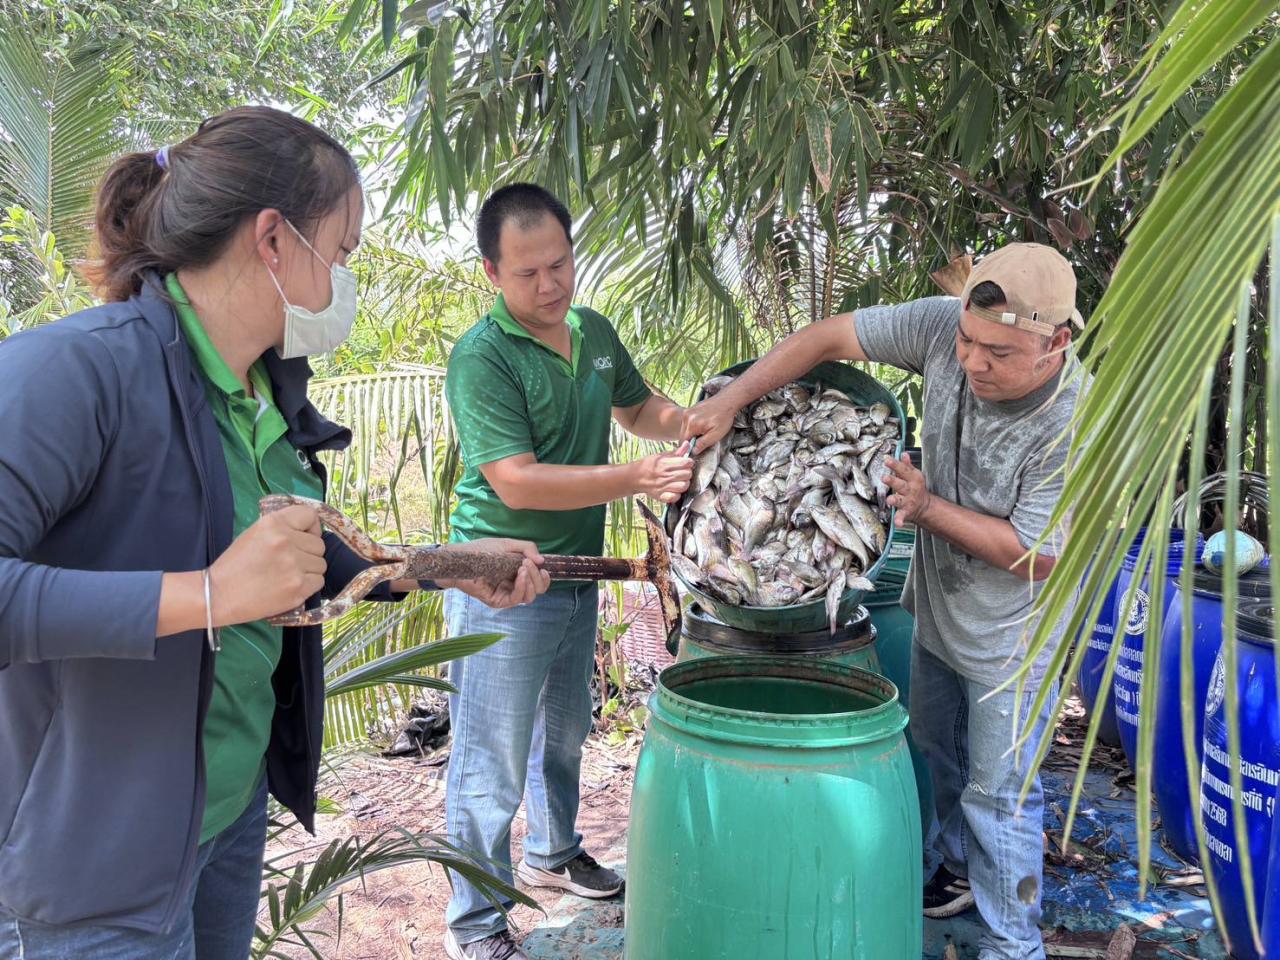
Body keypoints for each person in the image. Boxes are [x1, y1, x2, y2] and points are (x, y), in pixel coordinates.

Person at [0, 106, 549, 960]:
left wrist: (450, 566)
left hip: (222, 813)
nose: (344, 276)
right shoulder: (76, 371)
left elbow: (302, 562)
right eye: (343, 249)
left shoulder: (267, 395)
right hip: (94, 866)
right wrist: (212, 595)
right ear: (272, 240)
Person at [683, 242, 1084, 960]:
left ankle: (1012, 944)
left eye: (997, 352)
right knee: (934, 751)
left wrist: (927, 510)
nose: (971, 361)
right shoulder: (941, 328)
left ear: (1054, 343)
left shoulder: (1069, 421)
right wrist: (733, 399)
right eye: (966, 341)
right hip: (940, 610)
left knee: (1002, 798)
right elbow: (829, 338)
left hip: (1017, 642)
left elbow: (1040, 554)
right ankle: (954, 871)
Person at [440, 183, 692, 960]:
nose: (550, 287)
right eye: (528, 274)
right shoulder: (481, 358)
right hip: (500, 583)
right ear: (491, 273)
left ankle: (554, 853)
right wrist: (638, 479)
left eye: (560, 265)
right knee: (489, 767)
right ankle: (475, 926)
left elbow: (638, 407)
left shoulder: (592, 331)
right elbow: (515, 478)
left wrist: (696, 421)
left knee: (566, 734)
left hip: (575, 572)